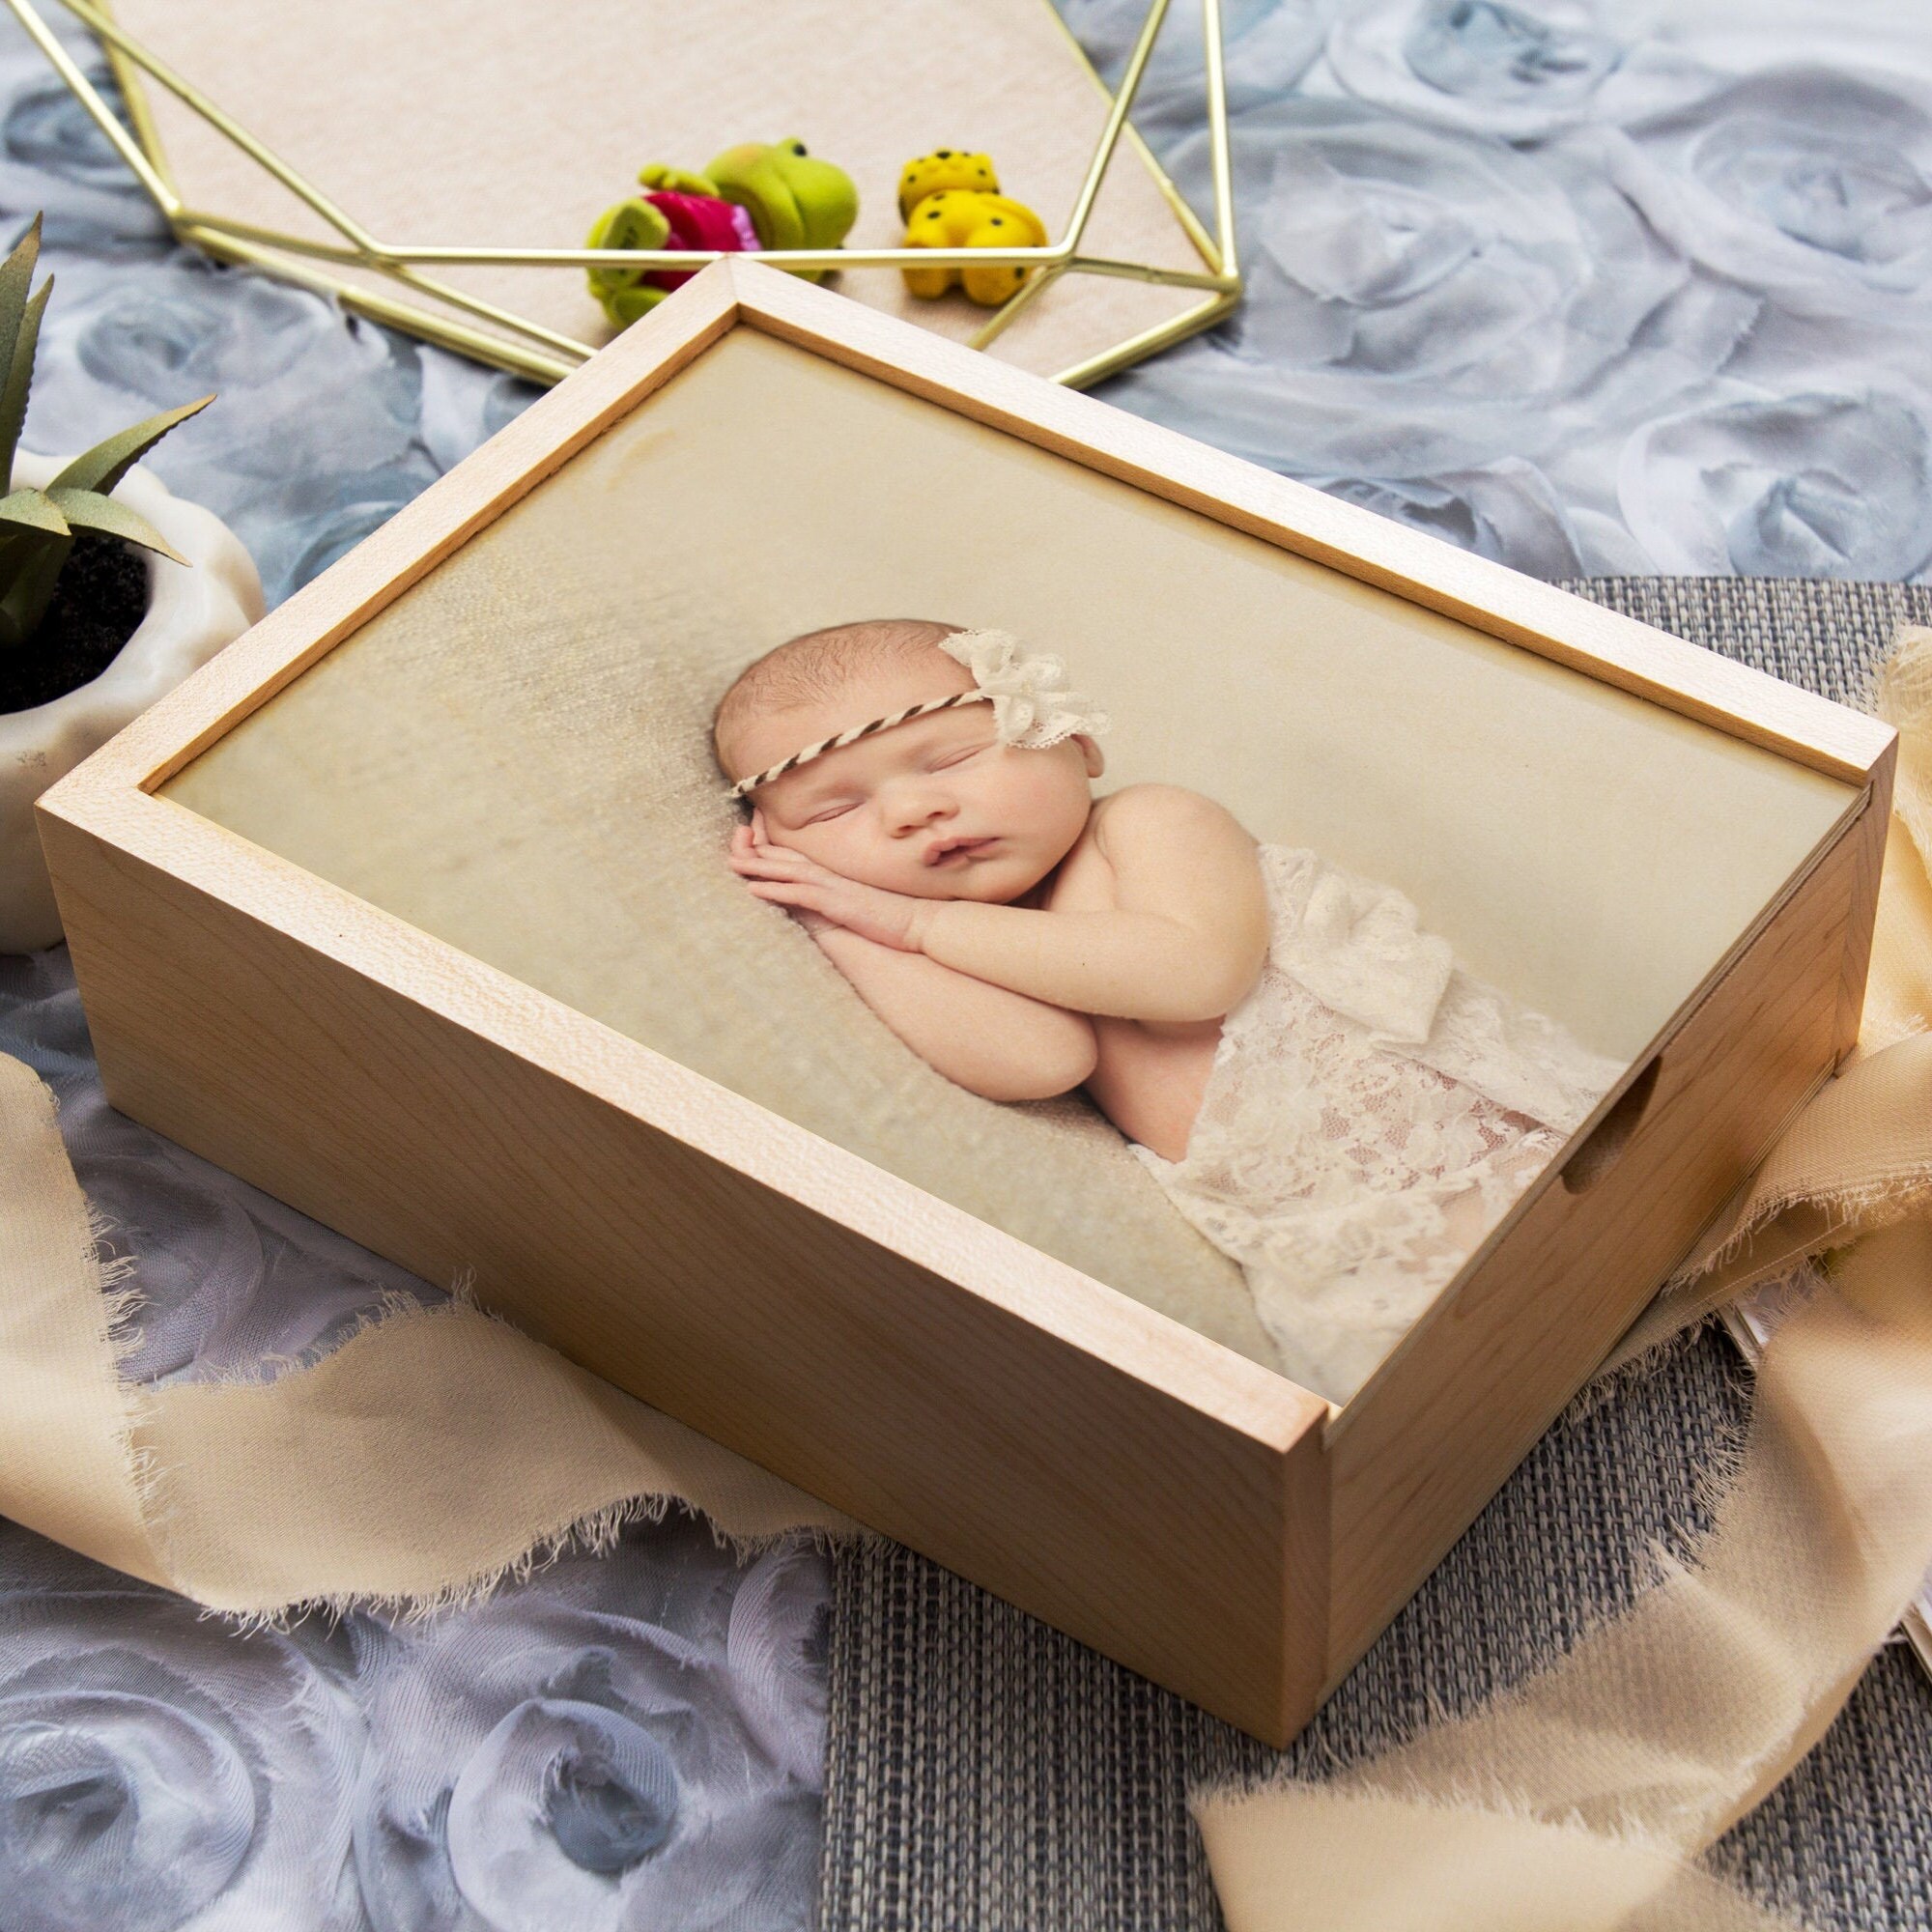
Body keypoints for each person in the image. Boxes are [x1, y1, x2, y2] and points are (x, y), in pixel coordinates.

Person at [714, 618, 1621, 1400]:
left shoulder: (1147, 823)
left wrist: (911, 922)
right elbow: (1038, 1061)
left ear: (1075, 742)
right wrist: (841, 924)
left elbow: (1195, 975)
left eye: (950, 757)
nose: (914, 809)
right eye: (834, 812)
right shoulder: (969, 937)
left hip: (1482, 1148)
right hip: (1348, 1243)